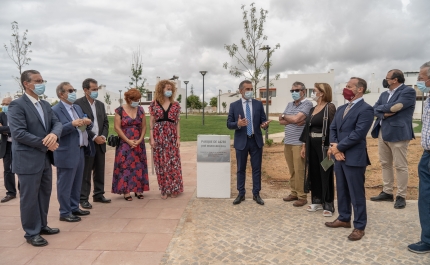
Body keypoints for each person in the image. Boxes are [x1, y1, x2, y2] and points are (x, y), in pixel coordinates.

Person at [8, 70, 62, 247]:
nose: (41, 83)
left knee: (44, 194)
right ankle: (31, 232)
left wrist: (54, 135)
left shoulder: (45, 104)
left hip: (45, 158)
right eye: (37, 81)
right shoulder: (17, 105)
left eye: (42, 80)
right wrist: (46, 143)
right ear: (26, 83)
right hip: (28, 159)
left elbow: (57, 123)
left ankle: (42, 225)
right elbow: (18, 133)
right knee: (29, 197)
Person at [325, 77, 373, 241]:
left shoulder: (366, 109)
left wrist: (339, 147)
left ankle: (359, 226)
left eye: (349, 86)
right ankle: (344, 218)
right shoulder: (341, 108)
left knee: (356, 192)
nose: (346, 89)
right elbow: (333, 128)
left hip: (354, 157)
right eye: (346, 86)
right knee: (342, 189)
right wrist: (335, 148)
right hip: (339, 156)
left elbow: (358, 134)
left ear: (360, 89)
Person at [370, 69, 416, 209]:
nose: (385, 80)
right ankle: (387, 192)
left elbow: (396, 107)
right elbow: (374, 109)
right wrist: (385, 113)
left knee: (400, 165)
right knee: (385, 163)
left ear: (395, 80)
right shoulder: (384, 94)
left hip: (399, 134)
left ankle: (401, 196)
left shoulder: (408, 92)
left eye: (387, 78)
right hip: (382, 132)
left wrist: (383, 110)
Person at [52, 82, 94, 222]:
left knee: (77, 181)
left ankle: (74, 207)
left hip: (80, 149)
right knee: (65, 183)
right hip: (66, 152)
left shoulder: (76, 107)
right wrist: (72, 124)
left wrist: (88, 122)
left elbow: (86, 123)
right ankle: (65, 212)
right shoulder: (55, 110)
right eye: (70, 90)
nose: (73, 92)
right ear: (61, 94)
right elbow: (55, 131)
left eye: (74, 90)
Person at [227, 80, 271, 206]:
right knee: (241, 169)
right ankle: (241, 194)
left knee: (256, 169)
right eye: (247, 89)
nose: (250, 91)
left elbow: (263, 121)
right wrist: (238, 124)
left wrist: (264, 125)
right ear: (241, 90)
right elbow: (229, 124)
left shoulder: (258, 104)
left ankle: (256, 193)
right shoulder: (234, 105)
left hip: (255, 141)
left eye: (251, 89)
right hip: (241, 141)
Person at [299, 83, 336, 216]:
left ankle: (328, 203)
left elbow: (333, 128)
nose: (312, 94)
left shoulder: (330, 107)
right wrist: (304, 145)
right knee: (314, 171)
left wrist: (332, 147)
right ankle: (317, 200)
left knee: (326, 172)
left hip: (324, 147)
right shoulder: (312, 109)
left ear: (322, 93)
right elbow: (306, 128)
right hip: (311, 145)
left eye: (314, 91)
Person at [74, 78, 110, 208]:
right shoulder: (77, 104)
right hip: (88, 142)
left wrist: (103, 136)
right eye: (93, 89)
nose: (96, 91)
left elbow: (105, 122)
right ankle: (83, 198)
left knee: (100, 170)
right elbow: (80, 125)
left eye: (97, 89)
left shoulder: (100, 104)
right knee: (86, 171)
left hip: (101, 142)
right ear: (85, 90)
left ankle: (98, 194)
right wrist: (94, 137)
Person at [408, 61, 430, 254]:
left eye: (421, 78)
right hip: (426, 155)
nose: (418, 82)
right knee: (425, 198)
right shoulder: (428, 98)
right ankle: (427, 239)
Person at [279, 81, 313, 207]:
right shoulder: (289, 104)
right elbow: (281, 121)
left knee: (300, 170)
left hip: (299, 143)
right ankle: (293, 192)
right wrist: (286, 117)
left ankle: (302, 196)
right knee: (292, 169)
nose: (294, 93)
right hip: (288, 142)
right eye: (292, 91)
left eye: (297, 90)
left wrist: (288, 118)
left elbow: (295, 119)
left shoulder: (307, 104)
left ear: (303, 91)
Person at [112, 88, 149, 200]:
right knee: (125, 166)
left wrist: (140, 140)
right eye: (135, 99)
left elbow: (144, 126)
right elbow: (117, 128)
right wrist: (128, 141)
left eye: (138, 99)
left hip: (138, 143)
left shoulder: (141, 110)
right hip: (125, 142)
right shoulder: (119, 110)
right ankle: (126, 191)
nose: (137, 101)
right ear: (128, 99)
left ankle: (138, 189)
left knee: (139, 165)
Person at [149, 80, 183, 199]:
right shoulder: (154, 104)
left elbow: (177, 122)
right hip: (158, 136)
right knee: (161, 163)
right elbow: (151, 122)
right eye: (167, 88)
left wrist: (178, 138)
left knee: (173, 162)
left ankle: (174, 188)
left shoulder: (176, 105)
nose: (169, 90)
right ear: (161, 89)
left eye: (170, 89)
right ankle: (164, 189)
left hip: (172, 136)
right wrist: (151, 138)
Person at [0, 97, 18, 203]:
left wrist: (5, 129)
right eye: (3, 103)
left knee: (22, 168)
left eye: (6, 104)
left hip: (19, 145)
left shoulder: (18, 114)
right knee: (7, 169)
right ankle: (11, 192)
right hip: (7, 145)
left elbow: (20, 128)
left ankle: (23, 189)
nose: (4, 106)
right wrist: (11, 130)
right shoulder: (1, 115)